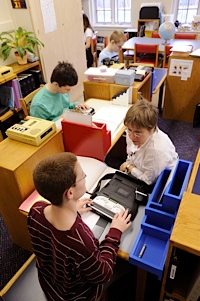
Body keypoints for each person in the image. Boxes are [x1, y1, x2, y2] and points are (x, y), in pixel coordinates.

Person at [27, 152, 132, 301]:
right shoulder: (81, 240)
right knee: (127, 266)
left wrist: (72, 209)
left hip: (48, 282)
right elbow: (103, 274)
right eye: (82, 176)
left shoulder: (36, 209)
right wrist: (115, 232)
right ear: (70, 192)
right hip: (75, 296)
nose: (85, 177)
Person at [120, 99, 178, 185]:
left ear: (151, 129)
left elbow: (148, 180)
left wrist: (129, 167)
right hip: (139, 167)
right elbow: (131, 153)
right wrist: (129, 164)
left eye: (137, 132)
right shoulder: (133, 132)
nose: (131, 136)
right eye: (129, 130)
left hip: (156, 182)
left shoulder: (156, 150)